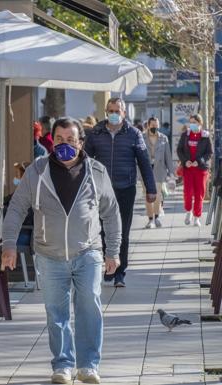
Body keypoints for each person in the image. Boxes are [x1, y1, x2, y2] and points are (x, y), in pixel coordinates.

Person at [2, 117, 122, 384]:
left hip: (88, 251)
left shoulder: (96, 172)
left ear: (80, 143)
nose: (64, 145)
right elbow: (17, 208)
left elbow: (111, 214)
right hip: (49, 254)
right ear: (51, 141)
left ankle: (89, 365)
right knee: (56, 313)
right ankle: (63, 365)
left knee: (90, 305)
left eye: (70, 140)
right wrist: (9, 244)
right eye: (59, 139)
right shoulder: (37, 171)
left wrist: (112, 251)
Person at [84, 97, 156, 288]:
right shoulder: (96, 133)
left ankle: (119, 272)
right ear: (106, 112)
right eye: (110, 110)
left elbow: (144, 162)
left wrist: (151, 189)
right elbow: (84, 161)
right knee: (101, 230)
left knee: (122, 231)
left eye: (117, 110)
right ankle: (108, 267)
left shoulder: (134, 134)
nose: (114, 114)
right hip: (100, 191)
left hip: (125, 188)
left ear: (124, 113)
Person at [177, 114, 213, 227]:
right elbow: (179, 150)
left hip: (201, 170)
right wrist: (185, 161)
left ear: (200, 123)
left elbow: (209, 153)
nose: (192, 125)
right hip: (188, 169)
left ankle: (197, 217)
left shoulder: (206, 136)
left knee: (199, 194)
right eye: (190, 122)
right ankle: (188, 211)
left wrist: (200, 161)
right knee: (188, 193)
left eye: (194, 122)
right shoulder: (185, 135)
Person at [143, 117, 175, 229]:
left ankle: (156, 217)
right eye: (153, 126)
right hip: (146, 171)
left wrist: (171, 173)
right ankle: (150, 219)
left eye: (157, 126)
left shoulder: (163, 138)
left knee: (157, 196)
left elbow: (168, 157)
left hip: (159, 170)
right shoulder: (142, 137)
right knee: (148, 196)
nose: (155, 128)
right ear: (148, 126)